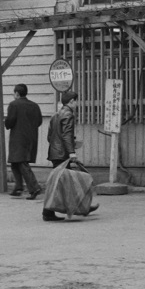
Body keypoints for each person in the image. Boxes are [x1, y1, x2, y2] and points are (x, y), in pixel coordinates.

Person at [43, 90, 98, 221]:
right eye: (76, 101)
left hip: (55, 153)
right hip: (63, 154)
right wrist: (71, 152)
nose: (77, 104)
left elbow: (50, 136)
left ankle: (80, 207)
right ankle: (81, 207)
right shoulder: (68, 114)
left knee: (60, 183)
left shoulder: (56, 115)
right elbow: (66, 135)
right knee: (67, 182)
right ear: (71, 101)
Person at [5, 83, 43, 199]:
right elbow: (39, 121)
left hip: (18, 137)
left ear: (16, 93)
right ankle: (18, 187)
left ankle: (34, 188)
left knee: (21, 163)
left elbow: (10, 121)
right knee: (15, 162)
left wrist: (6, 122)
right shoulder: (35, 106)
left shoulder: (13, 105)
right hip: (31, 137)